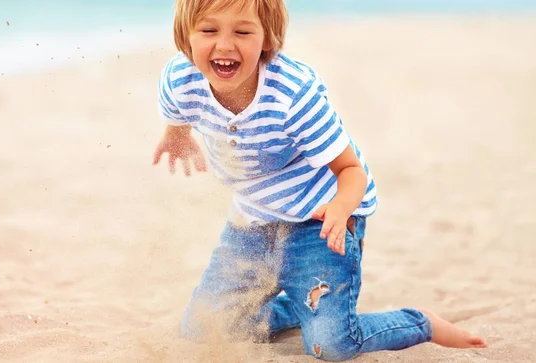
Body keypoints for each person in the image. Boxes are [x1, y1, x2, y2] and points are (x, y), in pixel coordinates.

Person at [152, 0, 487, 360]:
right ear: (186, 38)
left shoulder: (293, 95)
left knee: (331, 345)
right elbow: (178, 114)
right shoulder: (180, 79)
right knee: (203, 329)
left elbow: (351, 171)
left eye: (243, 32)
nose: (224, 45)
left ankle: (422, 323)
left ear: (267, 39)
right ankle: (299, 309)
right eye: (209, 31)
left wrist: (341, 211)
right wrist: (177, 136)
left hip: (320, 221)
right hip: (252, 223)